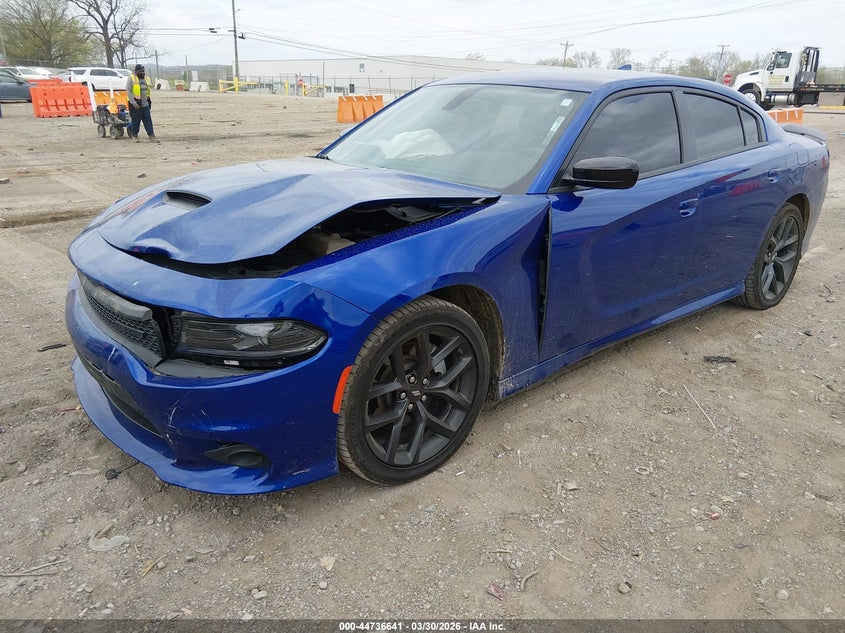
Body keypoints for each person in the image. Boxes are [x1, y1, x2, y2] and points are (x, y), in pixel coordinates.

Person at [126, 64, 160, 143]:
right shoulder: (131, 78)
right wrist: (134, 103)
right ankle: (134, 136)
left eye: (143, 71)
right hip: (135, 104)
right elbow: (129, 92)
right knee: (135, 121)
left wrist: (148, 99)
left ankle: (151, 136)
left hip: (145, 104)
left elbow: (147, 90)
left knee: (148, 120)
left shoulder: (145, 79)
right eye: (141, 71)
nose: (143, 73)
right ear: (136, 71)